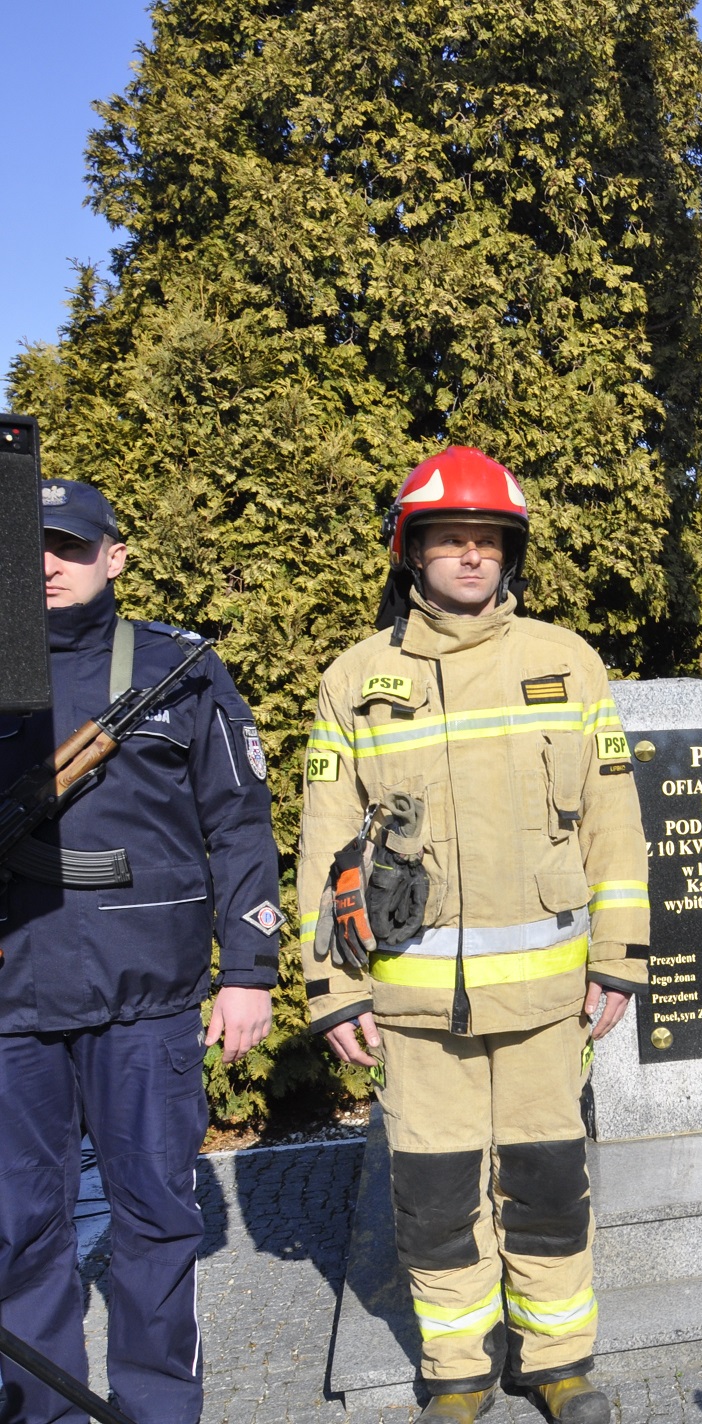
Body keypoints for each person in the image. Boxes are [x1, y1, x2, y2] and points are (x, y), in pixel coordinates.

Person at [299, 448, 649, 1423]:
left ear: (509, 553)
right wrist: (332, 987)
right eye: (448, 538)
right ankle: (456, 1373)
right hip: (415, 1007)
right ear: (410, 552)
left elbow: (614, 823)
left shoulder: (567, 662)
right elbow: (326, 837)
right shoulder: (355, 679)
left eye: (486, 540)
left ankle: (558, 1364)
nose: (468, 555)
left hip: (545, 1000)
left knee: (549, 1186)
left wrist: (619, 956)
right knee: (435, 1196)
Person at [0, 480, 281, 1424]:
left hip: (147, 1002)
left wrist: (248, 972)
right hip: (12, 1004)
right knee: (16, 1233)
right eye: (30, 546)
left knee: (157, 1217)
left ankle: (157, 1411)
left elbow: (240, 826)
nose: (47, 564)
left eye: (70, 545)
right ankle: (43, 1412)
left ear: (114, 556)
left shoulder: (176, 667)